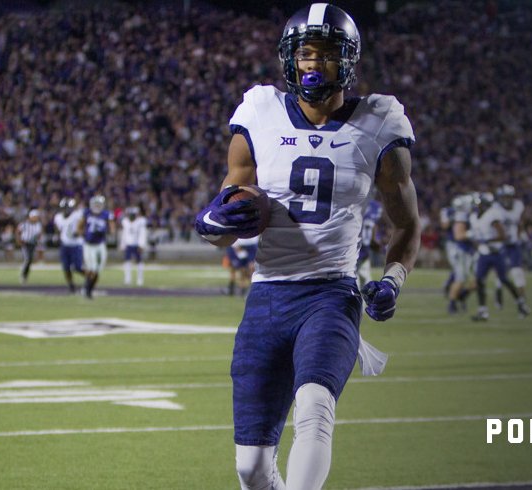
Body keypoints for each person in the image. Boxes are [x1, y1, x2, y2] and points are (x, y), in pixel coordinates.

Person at [193, 4, 420, 488]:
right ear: (289, 59)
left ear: (349, 61)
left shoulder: (380, 123)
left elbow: (407, 224)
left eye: (326, 54)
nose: (314, 64)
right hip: (268, 296)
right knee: (251, 468)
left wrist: (393, 280)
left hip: (331, 296)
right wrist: (214, 222)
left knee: (316, 408)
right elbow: (231, 217)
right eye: (305, 54)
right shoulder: (259, 112)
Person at [469, 193, 529, 321]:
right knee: (479, 281)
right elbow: (476, 236)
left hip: (496, 253)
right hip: (483, 254)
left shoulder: (492, 216)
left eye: (479, 204)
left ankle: (521, 304)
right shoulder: (474, 217)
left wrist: (488, 240)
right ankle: (482, 311)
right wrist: (478, 244)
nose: (477, 207)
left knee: (504, 280)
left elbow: (503, 235)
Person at [493, 185, 526, 308]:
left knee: (517, 272)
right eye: (504, 197)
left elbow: (520, 222)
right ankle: (499, 293)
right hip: (501, 244)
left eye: (508, 196)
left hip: (513, 243)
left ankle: (521, 299)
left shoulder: (518, 206)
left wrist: (520, 235)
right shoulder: (495, 208)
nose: (506, 199)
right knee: (501, 272)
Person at [79, 195, 114, 299]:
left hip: (100, 244)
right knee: (92, 269)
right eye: (96, 204)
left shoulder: (106, 214)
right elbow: (79, 226)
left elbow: (112, 226)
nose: (97, 206)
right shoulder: (87, 213)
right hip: (89, 245)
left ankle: (88, 288)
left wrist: (111, 231)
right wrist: (81, 234)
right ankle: (88, 290)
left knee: (98, 269)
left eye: (99, 204)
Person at [445, 194, 475, 314]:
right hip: (461, 250)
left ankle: (461, 296)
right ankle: (452, 303)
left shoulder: (470, 215)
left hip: (469, 250)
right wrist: (473, 234)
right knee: (460, 278)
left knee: (477, 280)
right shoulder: (461, 216)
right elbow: (459, 235)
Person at [54, 198, 85, 293]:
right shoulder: (58, 217)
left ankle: (90, 279)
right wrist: (57, 236)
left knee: (78, 267)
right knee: (66, 268)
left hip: (76, 245)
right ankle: (71, 286)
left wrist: (79, 231)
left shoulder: (77, 215)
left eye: (68, 207)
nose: (66, 209)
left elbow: (82, 224)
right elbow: (58, 229)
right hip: (65, 245)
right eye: (64, 207)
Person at [356, 199, 382, 288]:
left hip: (354, 249)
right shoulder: (375, 207)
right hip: (365, 249)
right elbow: (374, 225)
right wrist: (376, 240)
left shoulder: (354, 204)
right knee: (365, 280)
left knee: (357, 282)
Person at [120, 206, 148, 286]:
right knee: (127, 262)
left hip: (137, 244)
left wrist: (141, 245)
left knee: (139, 262)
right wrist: (123, 244)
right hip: (128, 244)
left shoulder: (141, 221)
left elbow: (142, 234)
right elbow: (124, 234)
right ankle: (127, 279)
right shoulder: (125, 221)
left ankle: (140, 279)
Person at [17, 209, 43, 284]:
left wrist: (38, 241)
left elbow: (39, 234)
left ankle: (25, 275)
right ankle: (23, 275)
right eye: (35, 217)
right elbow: (18, 231)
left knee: (30, 260)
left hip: (32, 243)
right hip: (25, 243)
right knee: (27, 259)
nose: (36, 218)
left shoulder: (38, 225)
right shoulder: (24, 224)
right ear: (31, 217)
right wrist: (19, 241)